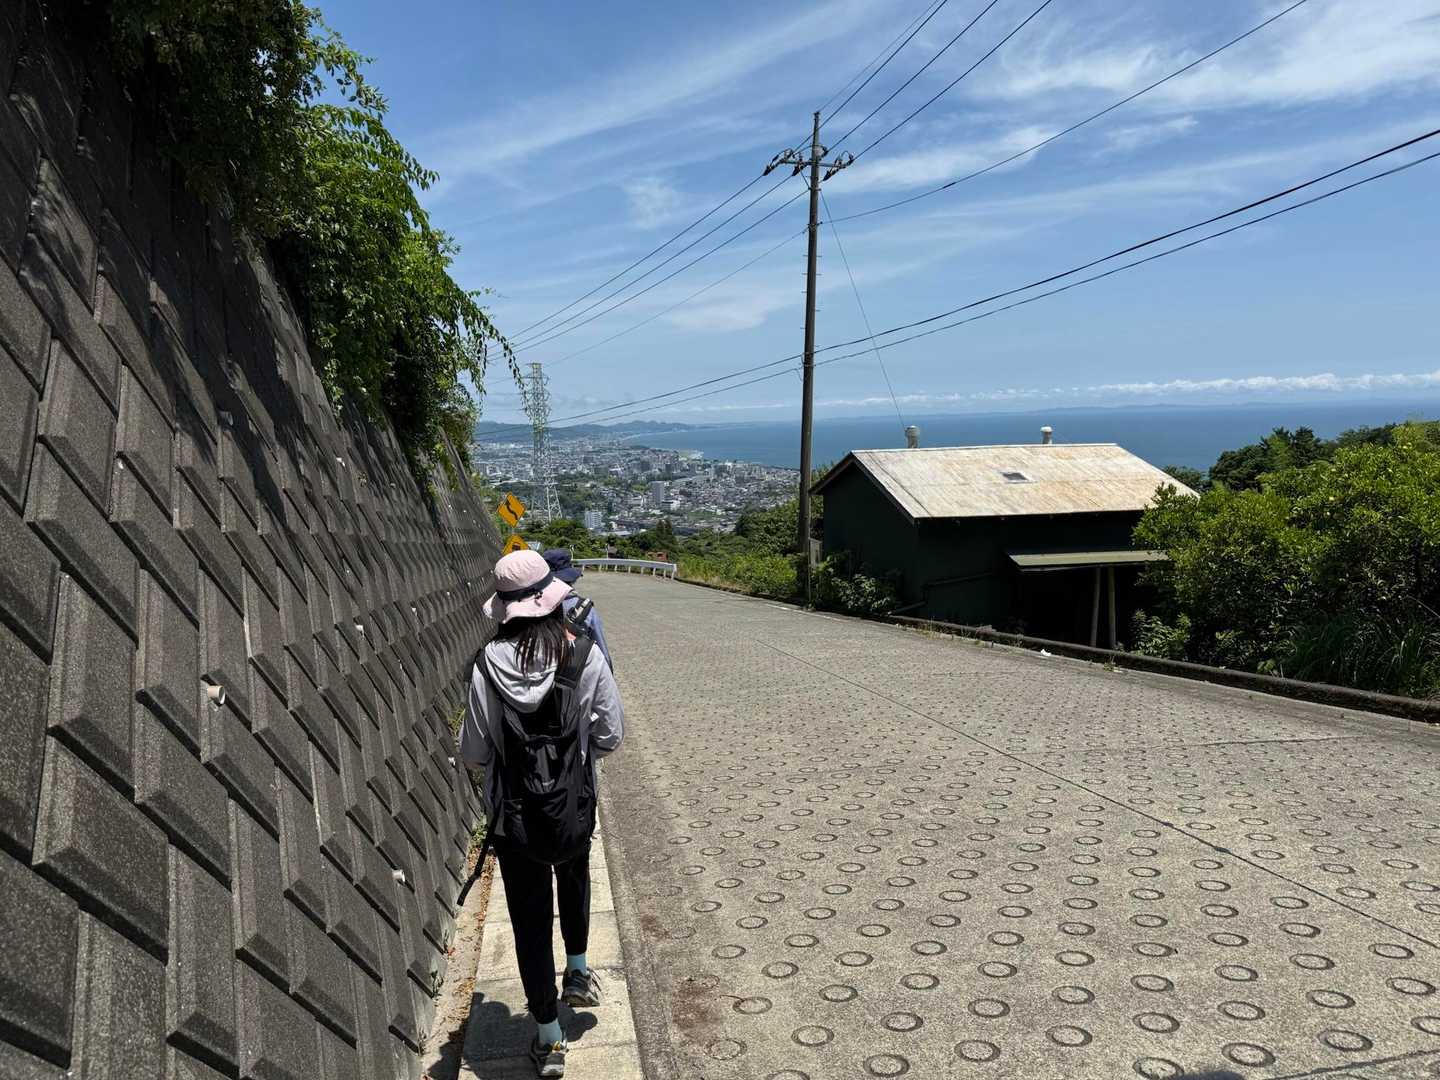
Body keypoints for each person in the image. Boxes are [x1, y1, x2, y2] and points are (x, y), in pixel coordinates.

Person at [460, 549, 624, 1078]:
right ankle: (578, 971)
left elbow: (475, 754)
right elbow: (610, 734)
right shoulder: (584, 654)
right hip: (573, 806)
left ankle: (549, 1038)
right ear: (553, 599)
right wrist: (572, 759)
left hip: (513, 818)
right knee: (574, 877)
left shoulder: (486, 665)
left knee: (529, 921)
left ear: (506, 608)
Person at [543, 548, 614, 670]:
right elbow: (601, 648)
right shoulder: (586, 609)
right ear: (572, 578)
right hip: (574, 673)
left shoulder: (533, 605)